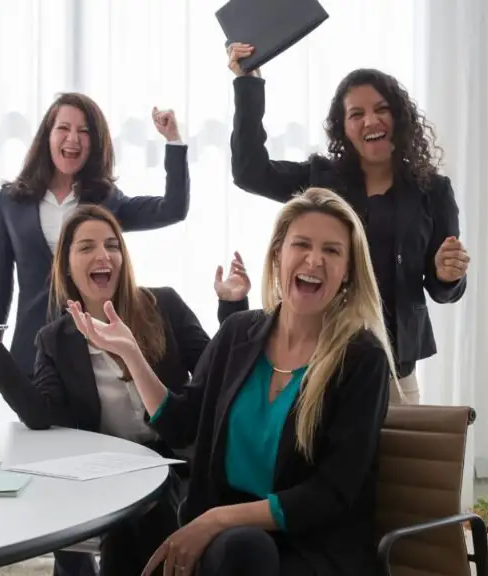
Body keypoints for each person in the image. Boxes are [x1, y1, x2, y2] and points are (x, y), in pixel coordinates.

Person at [66, 188, 397, 576]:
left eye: (332, 251)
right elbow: (181, 425)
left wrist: (218, 521)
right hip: (226, 533)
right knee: (133, 523)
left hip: (309, 544)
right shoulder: (240, 333)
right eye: (301, 244)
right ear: (278, 256)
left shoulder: (361, 358)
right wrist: (132, 356)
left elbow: (331, 494)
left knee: (242, 547)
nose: (314, 260)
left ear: (347, 273)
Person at [0, 205, 249, 576]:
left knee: (148, 509)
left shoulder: (164, 305)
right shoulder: (54, 339)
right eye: (87, 247)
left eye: (112, 245)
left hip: (174, 459)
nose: (103, 255)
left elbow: (219, 372)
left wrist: (232, 305)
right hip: (109, 467)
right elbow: (40, 413)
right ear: (66, 265)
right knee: (124, 520)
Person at [225, 43, 472, 404]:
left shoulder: (432, 190)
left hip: (395, 367)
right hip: (321, 355)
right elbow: (250, 173)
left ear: (399, 118)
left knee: (397, 461)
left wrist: (448, 275)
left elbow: (442, 289)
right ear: (344, 128)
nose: (370, 121)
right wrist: (248, 84)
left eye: (381, 109)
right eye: (356, 114)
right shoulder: (321, 179)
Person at [0, 92, 192, 403]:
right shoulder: (10, 202)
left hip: (93, 355)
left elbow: (173, 209)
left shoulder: (107, 200)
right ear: (47, 135)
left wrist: (173, 140)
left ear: (96, 143)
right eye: (63, 128)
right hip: (30, 354)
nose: (73, 139)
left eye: (85, 131)